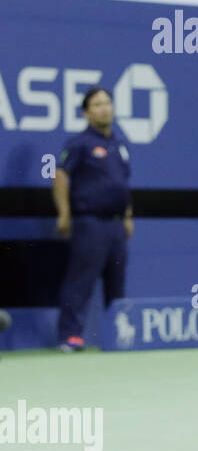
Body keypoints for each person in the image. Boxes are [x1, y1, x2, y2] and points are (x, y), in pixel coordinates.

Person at [52, 87, 133, 352]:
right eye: (97, 104)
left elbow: (122, 183)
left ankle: (116, 336)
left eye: (107, 103)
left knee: (116, 284)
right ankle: (70, 337)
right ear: (86, 113)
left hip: (116, 225)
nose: (105, 108)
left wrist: (128, 217)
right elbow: (61, 176)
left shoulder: (119, 144)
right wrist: (64, 213)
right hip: (90, 223)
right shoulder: (79, 144)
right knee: (81, 281)